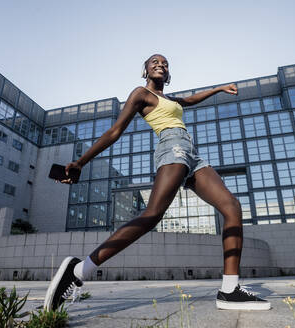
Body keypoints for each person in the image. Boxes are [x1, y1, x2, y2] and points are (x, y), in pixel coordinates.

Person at [44, 54, 271, 311]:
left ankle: (230, 289)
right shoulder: (141, 94)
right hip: (172, 147)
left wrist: (218, 88)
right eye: (154, 62)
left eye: (165, 63)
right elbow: (114, 131)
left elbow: (190, 100)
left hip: (193, 154)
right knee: (152, 215)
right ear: (145, 70)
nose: (160, 64)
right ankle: (78, 270)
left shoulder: (170, 100)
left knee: (231, 206)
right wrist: (81, 162)